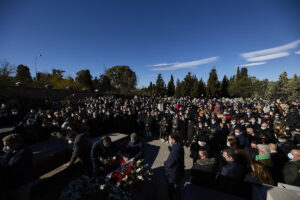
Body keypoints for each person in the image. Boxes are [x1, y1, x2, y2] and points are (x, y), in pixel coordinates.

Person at [1, 134, 33, 200]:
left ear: (16, 143)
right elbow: (6, 163)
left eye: (7, 145)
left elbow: (13, 169)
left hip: (21, 184)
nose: (5, 147)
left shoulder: (24, 153)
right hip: (12, 184)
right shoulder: (12, 151)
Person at [164, 132, 184, 200]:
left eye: (169, 139)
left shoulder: (176, 150)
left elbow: (169, 164)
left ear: (174, 140)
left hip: (173, 173)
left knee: (172, 190)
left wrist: (165, 163)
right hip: (178, 171)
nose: (168, 140)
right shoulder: (178, 145)